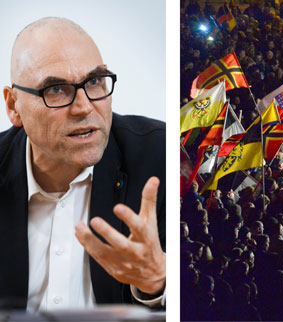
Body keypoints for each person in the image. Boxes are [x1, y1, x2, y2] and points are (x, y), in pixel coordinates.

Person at [0, 17, 165, 311]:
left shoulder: (161, 158)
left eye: (94, 82)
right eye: (55, 89)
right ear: (14, 106)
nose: (84, 106)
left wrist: (157, 284)